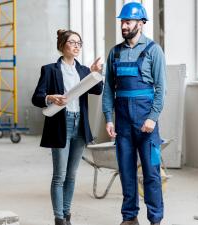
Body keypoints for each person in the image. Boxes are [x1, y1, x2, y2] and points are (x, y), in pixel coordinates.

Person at [102, 2, 166, 225]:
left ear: (141, 23)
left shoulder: (153, 50)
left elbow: (161, 88)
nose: (124, 25)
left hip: (147, 123)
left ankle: (155, 219)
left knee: (151, 173)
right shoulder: (115, 53)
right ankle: (129, 218)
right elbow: (109, 88)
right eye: (122, 21)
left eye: (128, 21)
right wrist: (108, 118)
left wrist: (152, 117)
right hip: (123, 124)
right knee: (126, 173)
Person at [32, 29, 103, 225]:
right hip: (60, 125)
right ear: (62, 45)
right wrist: (50, 97)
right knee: (59, 175)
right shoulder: (50, 70)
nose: (77, 46)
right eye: (72, 42)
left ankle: (67, 214)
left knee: (71, 176)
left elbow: (97, 90)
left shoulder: (83, 71)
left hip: (80, 124)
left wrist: (95, 73)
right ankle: (59, 218)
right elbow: (36, 98)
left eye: (79, 43)